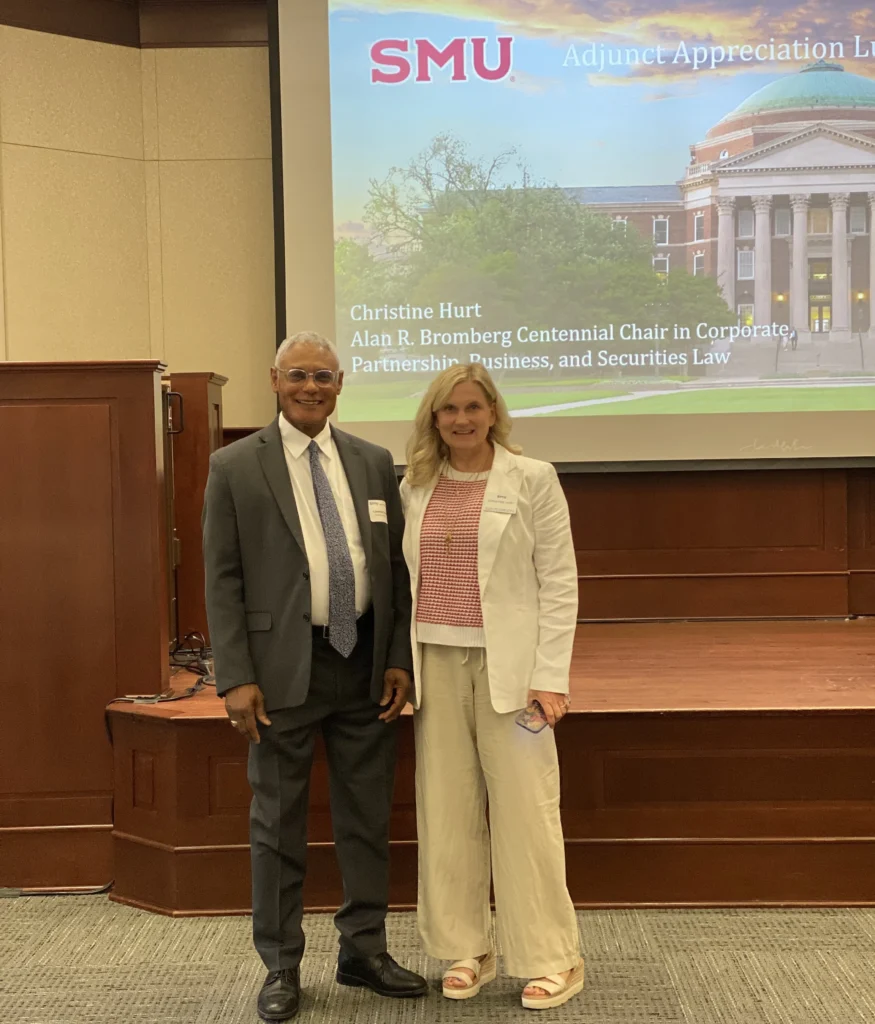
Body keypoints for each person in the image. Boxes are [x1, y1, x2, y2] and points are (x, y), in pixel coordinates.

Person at [202, 331, 427, 1022]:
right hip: (277, 673)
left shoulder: (370, 461)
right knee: (277, 824)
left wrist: (396, 658)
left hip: (362, 667)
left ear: (339, 385)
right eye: (298, 375)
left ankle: (363, 950)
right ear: (273, 379)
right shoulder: (234, 466)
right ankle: (281, 964)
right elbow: (222, 578)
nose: (311, 387)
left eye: (323, 376)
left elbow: (390, 571)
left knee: (366, 821)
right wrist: (234, 674)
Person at [399, 362, 584, 1010]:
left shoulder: (531, 479)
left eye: (472, 407)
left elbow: (558, 582)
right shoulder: (414, 485)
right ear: (433, 418)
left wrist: (549, 679)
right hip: (436, 665)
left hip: (515, 677)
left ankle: (551, 956)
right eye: (448, 410)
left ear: (492, 412)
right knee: (446, 813)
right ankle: (464, 948)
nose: (461, 420)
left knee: (526, 815)